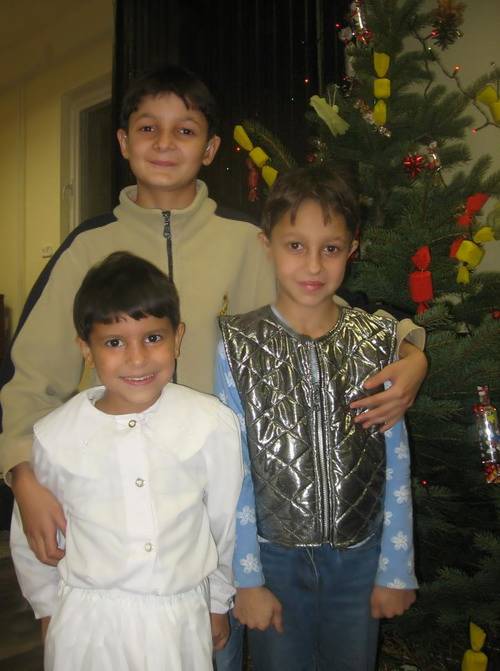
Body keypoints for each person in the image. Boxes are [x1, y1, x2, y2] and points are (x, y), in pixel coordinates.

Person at [0, 64, 426, 570]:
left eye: (184, 130)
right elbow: (32, 381)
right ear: (123, 141)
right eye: (148, 128)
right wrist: (22, 475)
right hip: (112, 502)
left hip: (221, 498)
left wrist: (410, 349)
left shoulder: (248, 241)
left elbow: (326, 306)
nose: (164, 143)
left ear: (210, 149)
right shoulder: (85, 250)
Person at [215, 165, 418, 671]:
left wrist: (396, 569)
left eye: (330, 248)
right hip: (274, 561)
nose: (313, 265)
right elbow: (233, 469)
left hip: (359, 557)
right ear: (267, 245)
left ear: (351, 250)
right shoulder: (237, 344)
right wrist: (247, 578)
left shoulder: (376, 342)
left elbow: (395, 461)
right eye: (295, 246)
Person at [10, 251, 243, 670]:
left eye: (152, 338)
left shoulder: (210, 424)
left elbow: (223, 525)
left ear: (178, 338)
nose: (137, 358)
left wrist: (218, 599)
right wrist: (46, 610)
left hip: (178, 622)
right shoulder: (56, 436)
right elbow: (31, 539)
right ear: (86, 349)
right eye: (114, 342)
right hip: (87, 627)